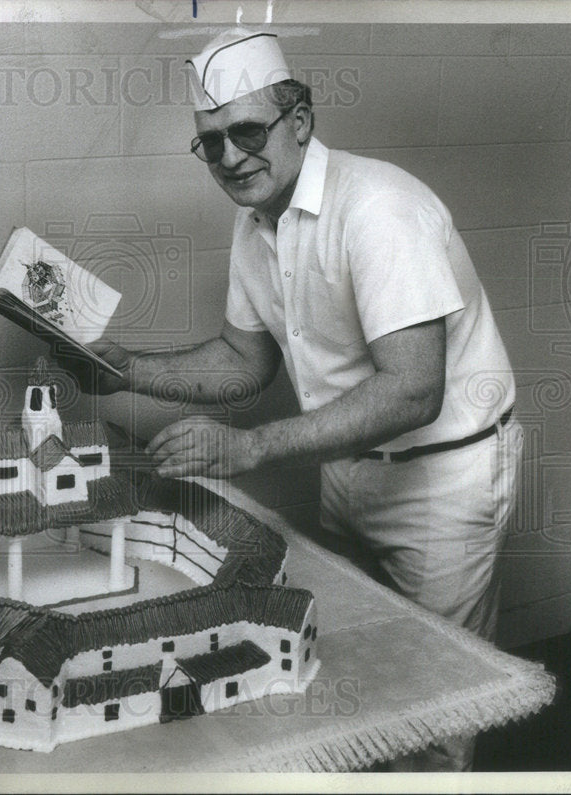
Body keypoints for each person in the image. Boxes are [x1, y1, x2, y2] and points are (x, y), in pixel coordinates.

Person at [64, 28, 523, 772]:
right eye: (210, 144)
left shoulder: (378, 208)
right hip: (345, 467)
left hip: (443, 478)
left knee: (435, 707)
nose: (231, 157)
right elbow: (244, 360)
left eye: (246, 131)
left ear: (300, 122)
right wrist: (128, 372)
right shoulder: (254, 224)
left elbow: (414, 389)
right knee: (346, 676)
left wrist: (250, 447)